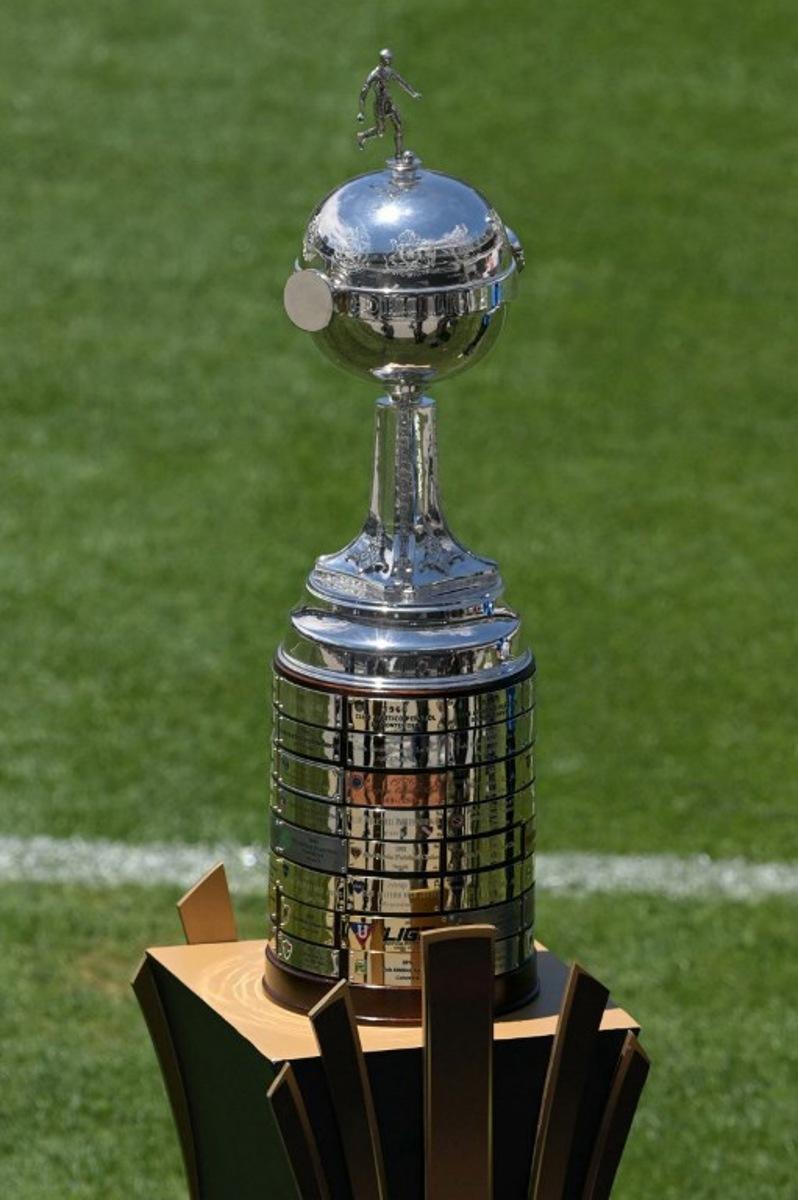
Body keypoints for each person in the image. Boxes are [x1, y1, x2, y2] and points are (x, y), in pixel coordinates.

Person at [356, 48, 421, 157]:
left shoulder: (389, 71)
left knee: (399, 126)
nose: (390, 61)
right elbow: (363, 93)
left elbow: (401, 82)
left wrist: (413, 93)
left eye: (390, 59)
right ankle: (362, 136)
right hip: (379, 105)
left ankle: (398, 154)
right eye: (388, 59)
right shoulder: (374, 74)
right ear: (382, 59)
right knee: (380, 132)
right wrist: (361, 112)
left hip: (388, 103)